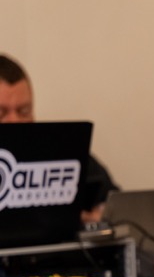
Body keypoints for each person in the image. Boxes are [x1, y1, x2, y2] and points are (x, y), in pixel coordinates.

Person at [0, 53, 118, 223]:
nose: (15, 120)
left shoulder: (61, 152)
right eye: (1, 113)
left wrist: (95, 218)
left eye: (24, 111)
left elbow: (115, 203)